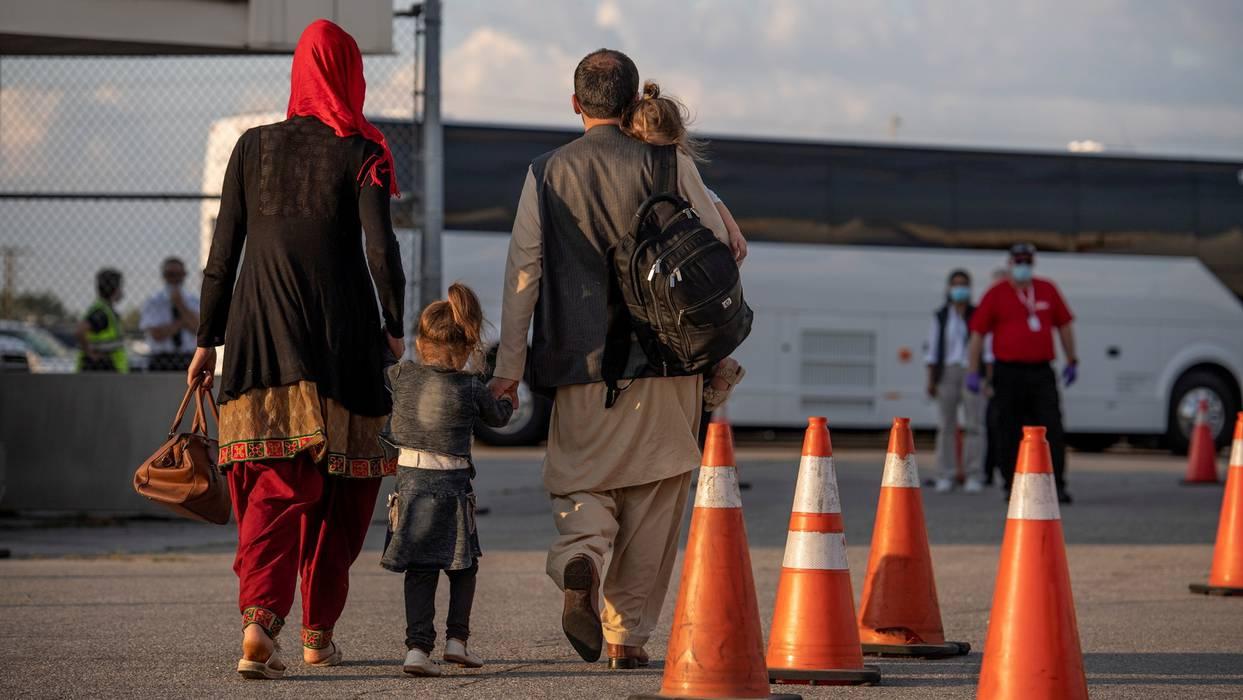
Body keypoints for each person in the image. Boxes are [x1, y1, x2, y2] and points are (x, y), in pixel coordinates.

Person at [489, 49, 734, 670]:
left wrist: (508, 369)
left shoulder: (545, 173)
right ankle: (627, 638)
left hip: (580, 365)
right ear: (632, 103)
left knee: (583, 481)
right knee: (654, 496)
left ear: (576, 104)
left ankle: (582, 557)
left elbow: (523, 275)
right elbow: (723, 245)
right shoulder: (666, 161)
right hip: (666, 361)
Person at [187, 19, 406, 680]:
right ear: (349, 74)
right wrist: (392, 325)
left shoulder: (251, 148)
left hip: (259, 331)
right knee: (343, 489)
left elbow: (222, 255)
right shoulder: (363, 148)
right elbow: (379, 250)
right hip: (341, 335)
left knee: (273, 483)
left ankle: (260, 622)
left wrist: (206, 339)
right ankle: (316, 632)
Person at [380, 283, 514, 676]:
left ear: (422, 344)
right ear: (467, 346)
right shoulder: (471, 386)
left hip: (411, 489)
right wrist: (506, 398)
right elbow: (499, 418)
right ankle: (458, 642)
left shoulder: (401, 376)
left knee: (420, 570)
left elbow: (382, 371)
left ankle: (417, 651)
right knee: (463, 566)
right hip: (454, 490)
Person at [621, 80, 748, 431]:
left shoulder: (658, 161)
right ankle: (716, 366)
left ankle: (716, 368)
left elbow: (708, 207)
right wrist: (732, 229)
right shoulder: (677, 160)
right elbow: (709, 198)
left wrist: (728, 231)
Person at [966, 243, 1077, 503]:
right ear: (1010, 263)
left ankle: (1056, 484)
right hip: (1008, 372)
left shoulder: (1047, 289)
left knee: (1052, 428)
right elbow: (977, 335)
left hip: (1041, 372)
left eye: (1027, 261)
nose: (1023, 265)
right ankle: (1011, 484)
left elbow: (1065, 326)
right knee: (1008, 429)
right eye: (1018, 261)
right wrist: (974, 371)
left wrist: (1072, 359)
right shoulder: (997, 293)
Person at [924, 269, 984, 493]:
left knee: (974, 425)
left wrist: (985, 377)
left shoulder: (977, 314)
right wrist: (932, 380)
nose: (960, 289)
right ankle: (945, 474)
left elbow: (985, 348)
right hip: (947, 372)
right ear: (949, 288)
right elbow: (931, 350)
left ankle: (974, 474)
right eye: (956, 285)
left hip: (971, 370)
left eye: (964, 285)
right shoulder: (941, 315)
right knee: (946, 426)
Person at [139, 257, 200, 371]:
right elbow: (157, 335)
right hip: (161, 358)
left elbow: (199, 330)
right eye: (171, 274)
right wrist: (183, 322)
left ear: (184, 275)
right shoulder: (153, 302)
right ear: (164, 276)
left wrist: (180, 305)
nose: (175, 279)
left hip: (188, 357)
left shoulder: (193, 301)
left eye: (179, 274)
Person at [76, 268, 128, 373]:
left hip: (104, 371)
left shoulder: (105, 310)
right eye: (120, 287)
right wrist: (91, 354)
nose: (122, 291)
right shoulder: (102, 312)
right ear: (115, 289)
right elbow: (80, 331)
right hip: (101, 370)